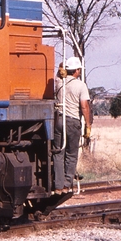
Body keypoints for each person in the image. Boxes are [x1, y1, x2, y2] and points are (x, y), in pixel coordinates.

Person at [52, 56, 91, 194]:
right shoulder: (81, 85)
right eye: (79, 70)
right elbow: (84, 106)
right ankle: (66, 186)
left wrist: (61, 69)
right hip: (73, 122)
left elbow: (58, 73)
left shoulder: (58, 82)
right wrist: (88, 124)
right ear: (77, 70)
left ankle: (57, 186)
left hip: (58, 121)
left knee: (58, 153)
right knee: (71, 154)